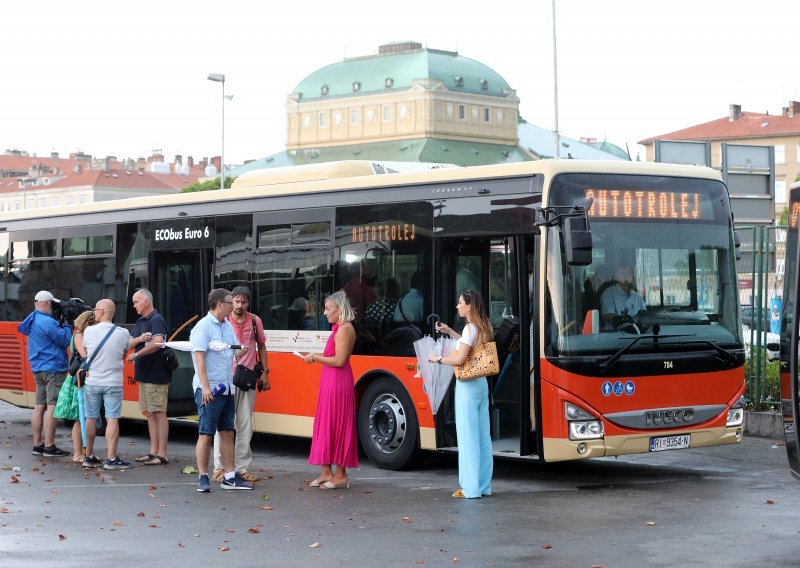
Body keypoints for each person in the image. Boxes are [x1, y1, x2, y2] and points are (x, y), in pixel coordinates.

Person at [429, 289, 493, 499]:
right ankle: (483, 486)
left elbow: (459, 359)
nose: (457, 306)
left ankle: (470, 488)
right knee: (483, 436)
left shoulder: (469, 328)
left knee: (467, 437)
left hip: (467, 384)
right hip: (481, 383)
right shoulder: (484, 325)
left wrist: (436, 359)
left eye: (460, 303)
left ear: (469, 306)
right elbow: (471, 347)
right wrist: (450, 332)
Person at [190, 288, 253, 492]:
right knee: (206, 433)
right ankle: (203, 476)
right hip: (210, 388)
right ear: (219, 304)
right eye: (229, 302)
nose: (233, 306)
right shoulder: (203, 326)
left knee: (227, 432)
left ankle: (230, 476)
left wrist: (237, 351)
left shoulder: (226, 325)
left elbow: (228, 350)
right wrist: (206, 387)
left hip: (227, 386)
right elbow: (199, 358)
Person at [212, 286, 269, 484]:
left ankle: (242, 468)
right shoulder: (223, 321)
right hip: (226, 378)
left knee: (245, 425)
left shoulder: (255, 320)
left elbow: (261, 345)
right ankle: (219, 468)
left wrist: (265, 374)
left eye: (243, 302)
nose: (239, 305)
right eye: (236, 301)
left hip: (247, 378)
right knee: (223, 425)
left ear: (248, 303)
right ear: (231, 302)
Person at [302, 290, 358, 489]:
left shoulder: (344, 330)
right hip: (330, 381)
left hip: (338, 382)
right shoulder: (338, 329)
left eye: (328, 308)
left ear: (339, 309)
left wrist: (315, 357)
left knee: (338, 424)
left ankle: (340, 474)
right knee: (327, 423)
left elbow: (339, 361)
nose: (324, 312)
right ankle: (326, 472)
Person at [17, 290, 73, 458]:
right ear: (46, 303)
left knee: (39, 407)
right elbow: (64, 340)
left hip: (38, 369)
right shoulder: (47, 322)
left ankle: (37, 445)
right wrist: (68, 325)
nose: (53, 307)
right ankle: (49, 446)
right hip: (53, 368)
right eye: (52, 304)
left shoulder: (33, 319)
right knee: (52, 407)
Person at [82, 299, 133, 470]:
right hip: (113, 382)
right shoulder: (123, 333)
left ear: (102, 312)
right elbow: (124, 355)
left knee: (91, 418)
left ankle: (88, 456)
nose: (94, 312)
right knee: (112, 418)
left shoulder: (88, 331)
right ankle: (111, 459)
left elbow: (87, 352)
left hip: (92, 382)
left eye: (96, 309)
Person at [127, 289, 170, 466]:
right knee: (150, 414)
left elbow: (158, 343)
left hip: (156, 374)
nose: (134, 306)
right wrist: (139, 340)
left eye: (136, 302)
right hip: (144, 375)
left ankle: (162, 453)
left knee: (159, 413)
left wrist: (137, 355)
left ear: (146, 301)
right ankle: (153, 451)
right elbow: (129, 342)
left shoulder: (156, 319)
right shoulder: (140, 321)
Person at [53, 309, 96, 463]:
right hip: (78, 381)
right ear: (88, 323)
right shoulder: (79, 335)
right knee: (80, 418)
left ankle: (84, 451)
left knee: (83, 418)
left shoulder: (81, 334)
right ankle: (78, 453)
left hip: (82, 379)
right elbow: (84, 355)